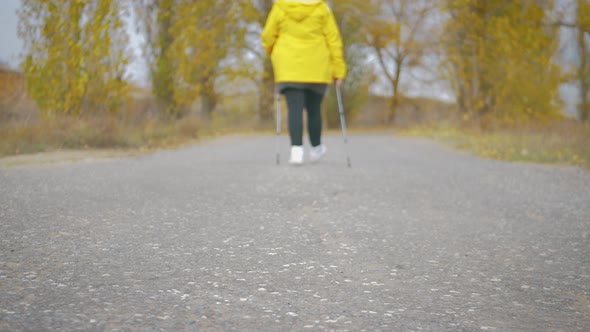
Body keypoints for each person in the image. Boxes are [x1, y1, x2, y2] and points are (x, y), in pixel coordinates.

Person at [262, 0, 347, 165]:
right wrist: (338, 71)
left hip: (288, 66)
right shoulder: (322, 9)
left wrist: (273, 52)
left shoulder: (280, 7)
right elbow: (334, 40)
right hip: (317, 66)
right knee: (314, 109)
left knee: (294, 109)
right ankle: (316, 149)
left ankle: (296, 151)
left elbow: (267, 36)